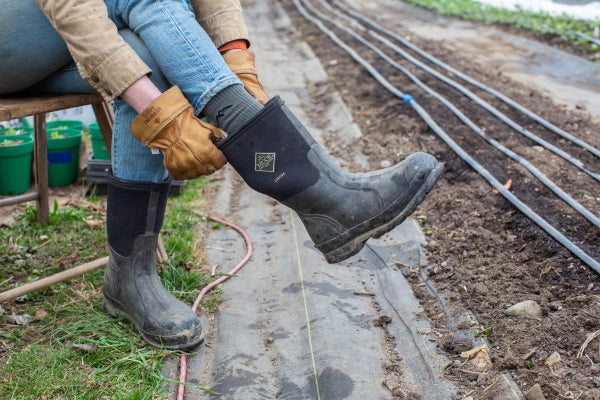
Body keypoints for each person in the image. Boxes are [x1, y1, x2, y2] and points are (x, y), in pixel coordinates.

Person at [0, 0, 443, 350]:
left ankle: (128, 279)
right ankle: (323, 196)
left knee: (152, 56)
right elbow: (71, 6)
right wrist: (163, 117)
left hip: (57, 49)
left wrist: (237, 63)